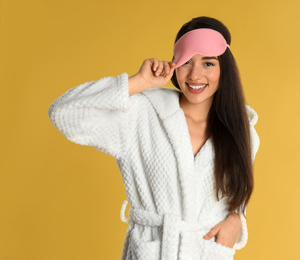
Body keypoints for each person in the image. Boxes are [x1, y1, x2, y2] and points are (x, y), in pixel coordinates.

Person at [48, 16, 260, 260]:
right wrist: (139, 82)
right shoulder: (142, 115)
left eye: (208, 64)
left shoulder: (241, 131)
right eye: (187, 62)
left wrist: (236, 219)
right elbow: (64, 113)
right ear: (174, 64)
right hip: (154, 250)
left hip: (207, 252)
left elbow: (236, 192)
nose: (195, 75)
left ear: (225, 69)